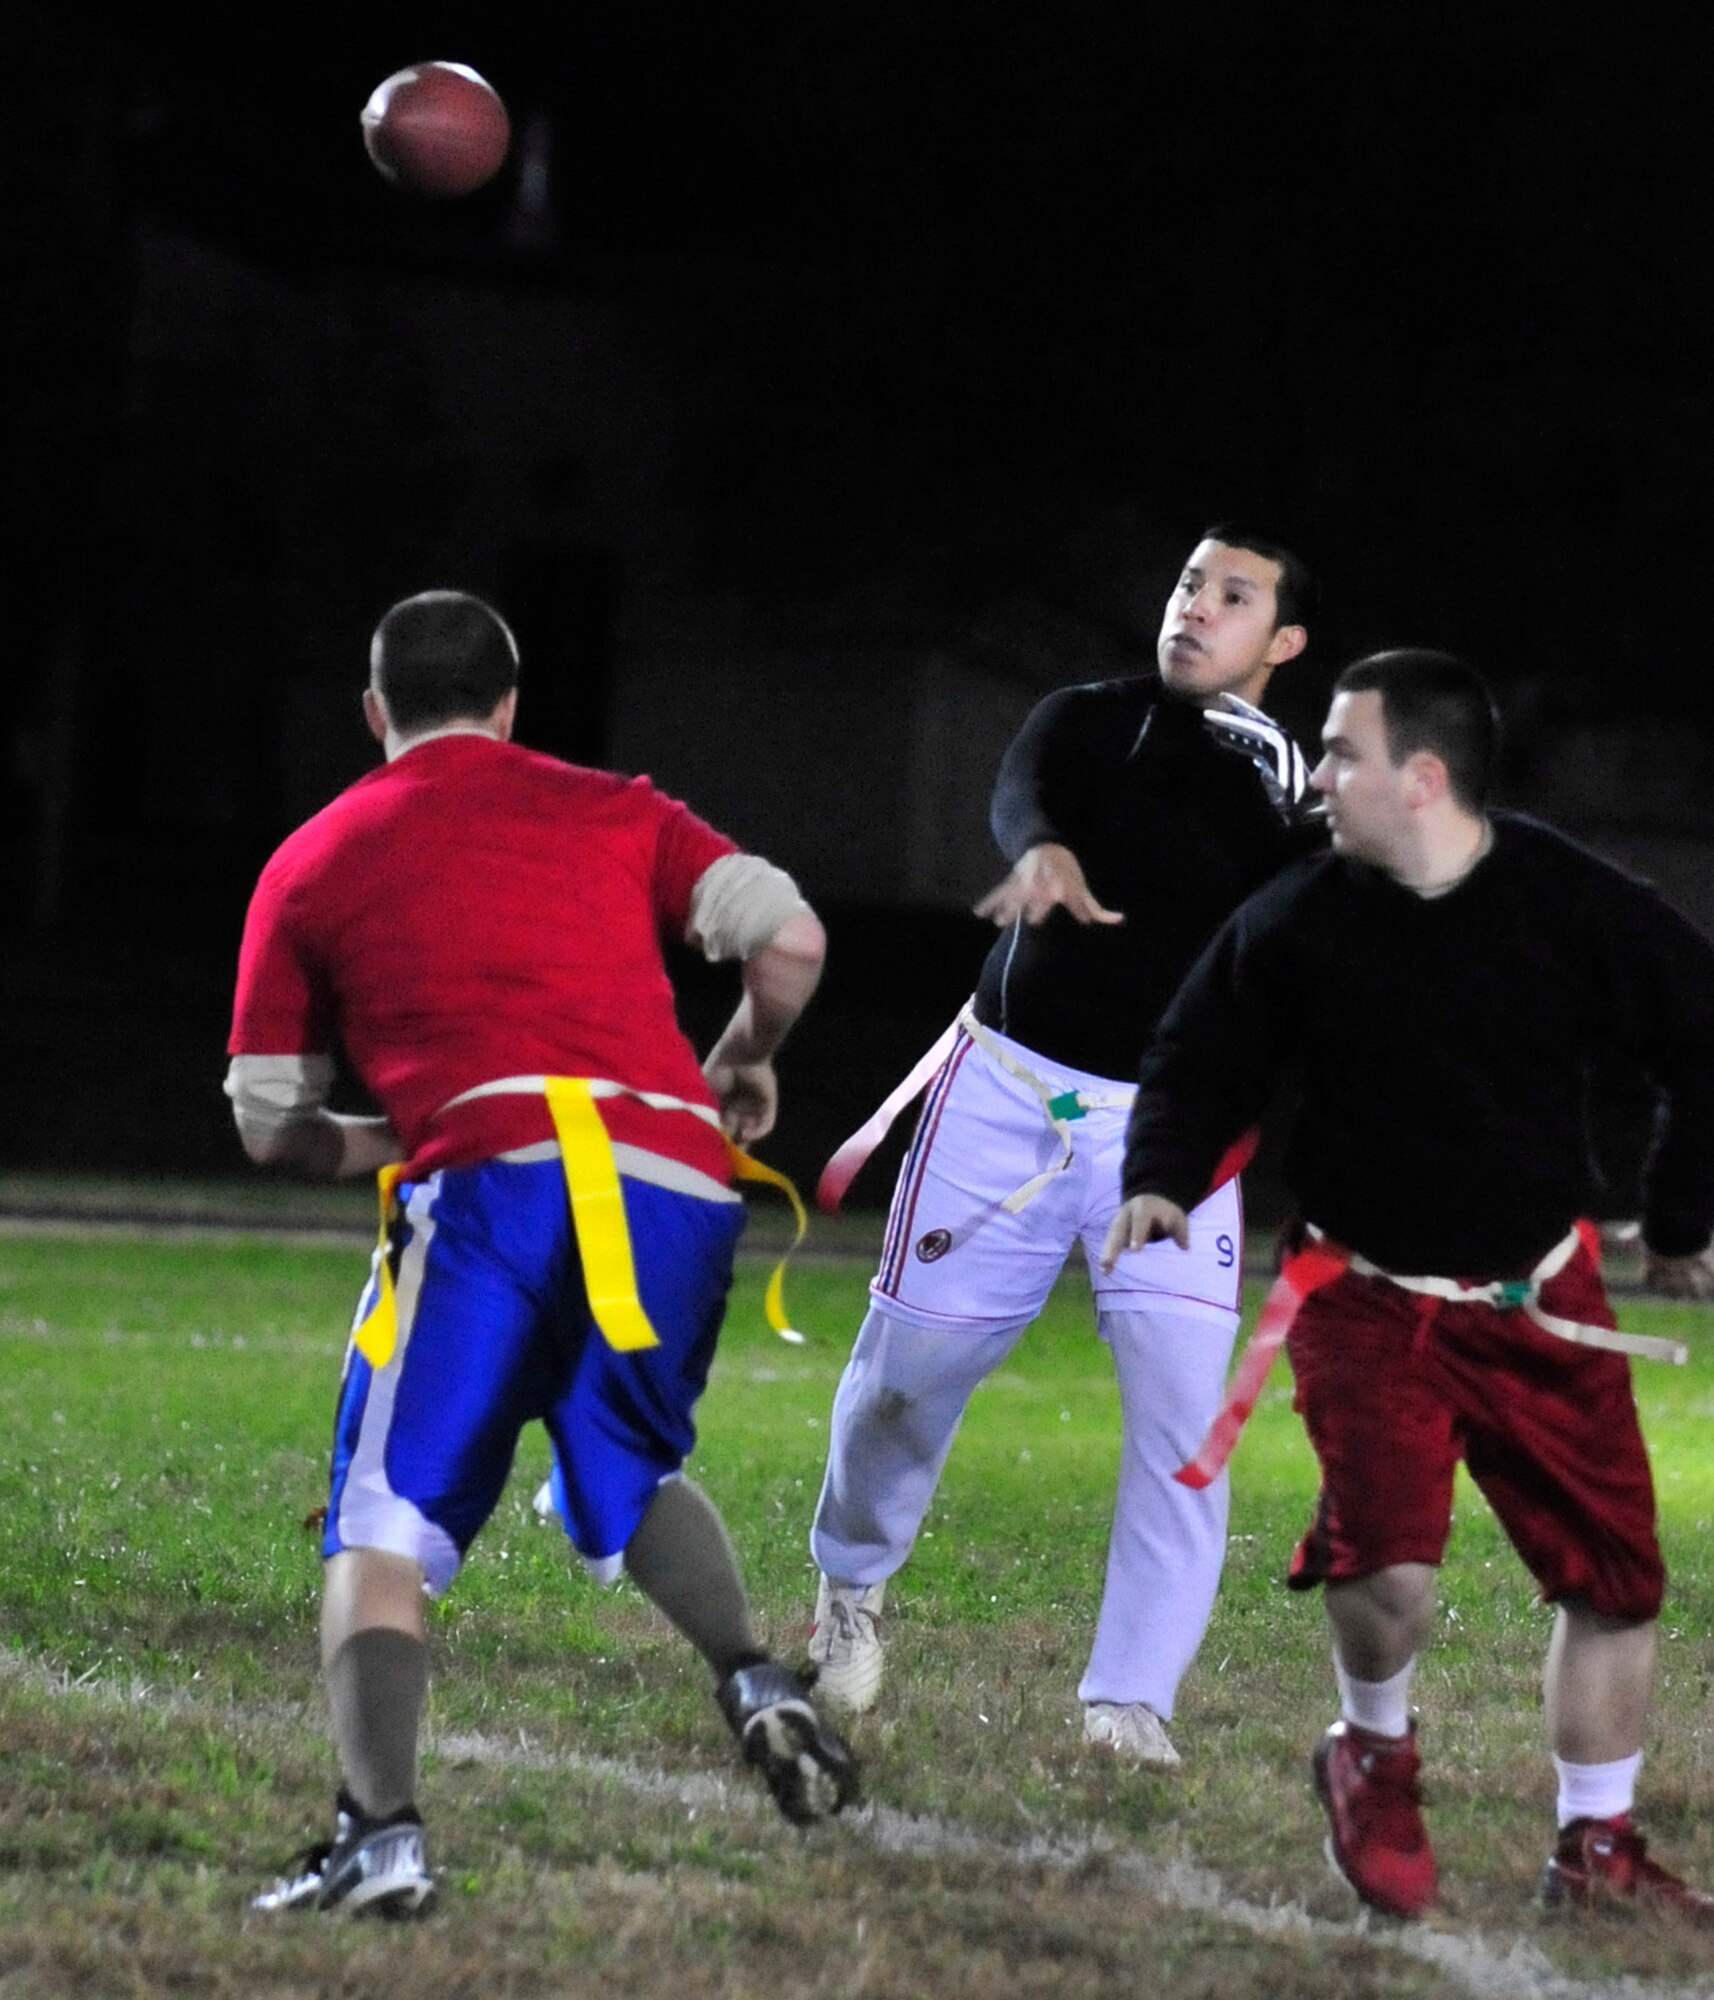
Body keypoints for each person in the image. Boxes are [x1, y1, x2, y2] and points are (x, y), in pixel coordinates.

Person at [226, 590, 856, 1917]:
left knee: (381, 1524)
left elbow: (266, 1118)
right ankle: (751, 1674)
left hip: (497, 1186)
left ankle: (377, 1835)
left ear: (373, 710)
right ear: (511, 708)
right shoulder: (614, 806)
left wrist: (387, 1139)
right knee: (620, 1470)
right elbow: (789, 934)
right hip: (673, 1185)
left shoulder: (316, 855)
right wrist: (735, 1061)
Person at [1104, 648, 1714, 1916]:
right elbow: (1194, 1050)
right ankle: (1370, 1750)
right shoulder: (1301, 914)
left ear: (1422, 777)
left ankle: (1593, 1848)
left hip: (1540, 1298)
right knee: (1389, 1573)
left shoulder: (1565, 900)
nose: (1315, 774)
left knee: (1614, 1581)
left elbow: (1701, 1031)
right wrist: (1158, 1172)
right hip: (1361, 1295)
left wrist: (1678, 1211)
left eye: (1340, 750)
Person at [808, 526, 1322, 1765]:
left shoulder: (1295, 790)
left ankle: (1129, 1695)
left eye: (1233, 596)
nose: (1196, 606)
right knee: (902, 1381)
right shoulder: (1095, 718)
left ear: (1284, 643)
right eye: (1190, 582)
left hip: (1172, 1134)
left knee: (1180, 1420)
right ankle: (850, 1583)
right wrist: (1035, 844)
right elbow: (1022, 791)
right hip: (1009, 1095)